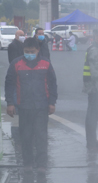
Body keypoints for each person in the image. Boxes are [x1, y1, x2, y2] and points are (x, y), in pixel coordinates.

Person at [5, 37, 58, 172]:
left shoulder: (45, 63)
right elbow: (9, 84)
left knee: (41, 135)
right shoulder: (16, 64)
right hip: (24, 107)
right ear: (23, 50)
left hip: (41, 106)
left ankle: (41, 165)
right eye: (26, 51)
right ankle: (27, 164)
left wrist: (52, 102)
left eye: (32, 51)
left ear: (38, 50)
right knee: (26, 136)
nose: (29, 54)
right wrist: (10, 103)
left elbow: (53, 84)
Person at [83, 29, 98, 150]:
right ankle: (91, 143)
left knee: (94, 115)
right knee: (93, 116)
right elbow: (96, 72)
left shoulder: (97, 49)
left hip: (95, 87)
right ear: (96, 36)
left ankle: (92, 141)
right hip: (94, 88)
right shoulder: (94, 50)